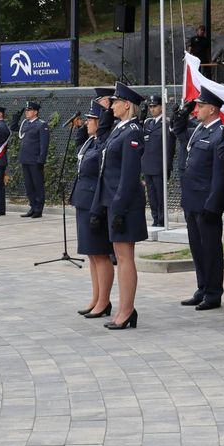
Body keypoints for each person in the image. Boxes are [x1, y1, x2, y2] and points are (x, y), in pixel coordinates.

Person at [91, 82, 149, 330]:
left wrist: (119, 209)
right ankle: (125, 309)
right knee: (121, 256)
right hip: (114, 203)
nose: (111, 106)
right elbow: (106, 171)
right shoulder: (119, 130)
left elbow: (128, 176)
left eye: (115, 102)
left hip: (125, 204)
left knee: (125, 258)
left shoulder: (132, 132)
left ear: (127, 105)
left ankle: (126, 310)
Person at [178, 86, 224, 311]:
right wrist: (182, 113)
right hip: (192, 199)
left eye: (200, 106)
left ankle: (213, 292)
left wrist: (214, 202)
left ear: (212, 109)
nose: (196, 110)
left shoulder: (220, 132)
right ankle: (202, 287)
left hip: (206, 201)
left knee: (210, 248)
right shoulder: (200, 129)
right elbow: (179, 133)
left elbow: (219, 173)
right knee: (197, 247)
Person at [71, 100, 116, 319]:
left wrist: (105, 114)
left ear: (100, 122)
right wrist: (82, 127)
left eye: (91, 119)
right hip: (83, 200)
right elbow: (79, 148)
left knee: (100, 254)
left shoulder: (103, 143)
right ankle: (96, 297)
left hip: (94, 203)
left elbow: (101, 175)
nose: (87, 123)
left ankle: (104, 301)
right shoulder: (91, 142)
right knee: (91, 254)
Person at [11, 100, 50, 218]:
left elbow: (44, 144)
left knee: (37, 185)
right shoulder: (25, 123)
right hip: (25, 159)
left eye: (29, 110)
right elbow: (13, 127)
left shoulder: (41, 124)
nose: (27, 112)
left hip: (35, 160)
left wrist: (41, 159)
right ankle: (33, 207)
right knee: (29, 186)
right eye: (26, 110)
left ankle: (38, 209)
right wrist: (16, 117)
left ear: (36, 112)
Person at [141, 94, 174, 227]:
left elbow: (169, 147)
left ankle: (161, 219)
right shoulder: (148, 123)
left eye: (155, 106)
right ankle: (156, 219)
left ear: (161, 107)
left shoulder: (166, 123)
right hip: (148, 165)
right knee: (152, 196)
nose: (152, 109)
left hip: (160, 165)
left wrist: (167, 166)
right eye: (150, 107)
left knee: (160, 196)